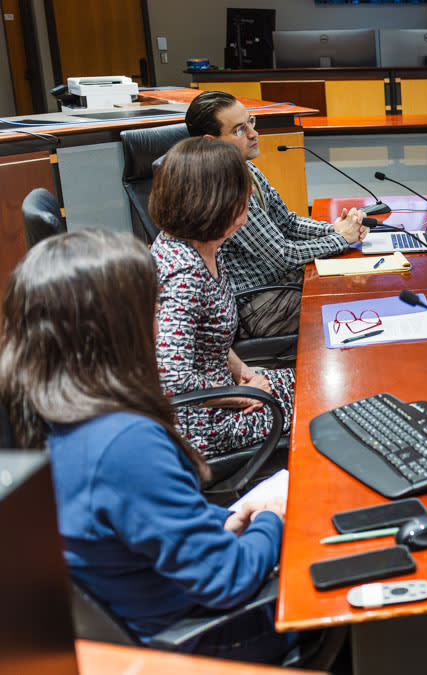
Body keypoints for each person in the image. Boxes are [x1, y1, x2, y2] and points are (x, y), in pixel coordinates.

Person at [0, 229, 292, 662]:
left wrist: (234, 516)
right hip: (212, 640)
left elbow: (150, 526)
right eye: (152, 306)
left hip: (155, 610)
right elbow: (227, 578)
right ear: (118, 326)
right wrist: (275, 516)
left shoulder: (43, 414)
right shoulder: (124, 443)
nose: (160, 319)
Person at [150, 136, 295, 458]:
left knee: (316, 377)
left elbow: (207, 338)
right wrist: (239, 394)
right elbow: (171, 381)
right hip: (204, 423)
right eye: (245, 195)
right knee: (322, 399)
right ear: (219, 202)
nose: (251, 199)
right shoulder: (184, 276)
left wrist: (243, 371)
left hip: (223, 390)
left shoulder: (205, 244)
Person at [185, 90, 370, 338]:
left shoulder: (246, 168)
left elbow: (287, 223)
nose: (253, 133)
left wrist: (336, 229)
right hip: (261, 306)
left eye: (251, 122)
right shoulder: (222, 188)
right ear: (211, 141)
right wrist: (342, 238)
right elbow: (284, 255)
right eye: (239, 130)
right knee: (356, 306)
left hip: (280, 283)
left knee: (357, 283)